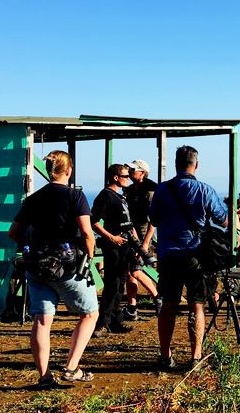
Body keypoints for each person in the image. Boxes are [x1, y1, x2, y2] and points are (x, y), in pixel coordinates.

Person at [7, 150, 98, 386]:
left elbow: (13, 232)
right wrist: (88, 256)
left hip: (37, 266)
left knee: (42, 320)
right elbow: (87, 233)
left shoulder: (33, 199)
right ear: (69, 171)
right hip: (67, 266)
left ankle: (45, 376)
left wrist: (31, 245)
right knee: (90, 314)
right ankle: (71, 367)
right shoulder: (75, 197)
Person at [148, 145, 228, 369]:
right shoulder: (204, 190)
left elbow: (153, 220)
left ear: (176, 164)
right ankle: (195, 356)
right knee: (197, 305)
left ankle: (165, 355)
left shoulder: (162, 190)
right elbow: (223, 219)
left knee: (168, 305)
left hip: (168, 254)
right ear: (197, 165)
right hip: (195, 254)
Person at [91, 164, 134, 337]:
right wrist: (111, 237)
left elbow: (128, 223)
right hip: (113, 247)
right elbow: (93, 221)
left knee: (120, 283)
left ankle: (115, 321)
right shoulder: (105, 196)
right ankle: (102, 324)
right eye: (125, 176)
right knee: (112, 284)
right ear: (116, 177)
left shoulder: (121, 197)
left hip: (125, 246)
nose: (128, 179)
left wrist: (136, 242)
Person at [123, 159, 159, 321]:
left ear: (142, 172)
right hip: (131, 234)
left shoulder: (151, 191)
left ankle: (157, 296)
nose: (130, 173)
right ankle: (132, 306)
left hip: (143, 235)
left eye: (133, 170)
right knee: (130, 272)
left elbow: (154, 219)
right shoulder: (130, 190)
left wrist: (145, 243)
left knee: (136, 270)